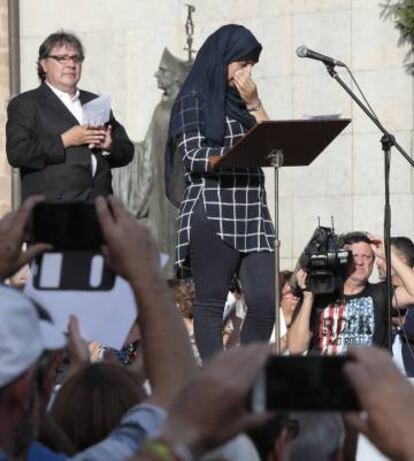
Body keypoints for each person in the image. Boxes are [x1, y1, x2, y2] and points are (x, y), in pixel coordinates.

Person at [165, 24, 275, 360]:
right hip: (212, 206)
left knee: (264, 305)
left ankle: (248, 374)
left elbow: (271, 145)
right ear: (222, 60)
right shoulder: (193, 98)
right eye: (241, 63)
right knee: (211, 304)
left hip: (252, 210)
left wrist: (255, 103)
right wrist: (230, 157)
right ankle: (216, 383)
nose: (247, 72)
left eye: (251, 65)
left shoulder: (243, 104)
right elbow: (193, 155)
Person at [6, 30, 134, 202]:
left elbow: (127, 150)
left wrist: (109, 145)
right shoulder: (26, 104)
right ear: (44, 64)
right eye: (62, 58)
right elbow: (17, 153)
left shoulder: (94, 102)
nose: (71, 64)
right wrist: (64, 140)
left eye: (75, 58)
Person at [113, 48, 190, 276]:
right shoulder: (160, 110)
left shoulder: (183, 108)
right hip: (158, 193)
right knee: (160, 248)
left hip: (177, 193)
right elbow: (147, 151)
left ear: (176, 76)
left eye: (163, 71)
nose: (157, 75)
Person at [288, 231, 414, 355]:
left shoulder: (382, 292)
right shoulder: (319, 294)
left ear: (373, 261)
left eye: (366, 256)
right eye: (354, 256)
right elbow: (296, 347)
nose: (360, 262)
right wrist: (308, 298)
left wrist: (390, 256)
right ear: (342, 260)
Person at [377, 236, 414, 376]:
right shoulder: (379, 292)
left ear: (400, 261)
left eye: (383, 257)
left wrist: (402, 321)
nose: (377, 263)